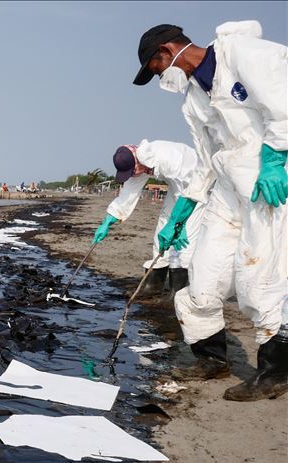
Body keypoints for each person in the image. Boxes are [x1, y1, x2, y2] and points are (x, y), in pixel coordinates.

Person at [133, 21, 287, 400]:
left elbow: (283, 99)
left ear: (168, 51)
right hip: (227, 189)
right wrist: (183, 209)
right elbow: (205, 159)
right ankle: (211, 360)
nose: (159, 78)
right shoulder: (193, 100)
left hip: (268, 183)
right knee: (201, 281)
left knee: (259, 280)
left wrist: (274, 157)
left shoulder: (239, 54)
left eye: (156, 69)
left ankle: (276, 372)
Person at [92, 140, 203, 296]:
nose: (133, 175)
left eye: (132, 171)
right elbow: (127, 196)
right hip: (177, 188)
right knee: (163, 227)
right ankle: (155, 284)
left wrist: (180, 223)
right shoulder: (139, 164)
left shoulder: (167, 158)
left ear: (138, 162)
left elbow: (190, 191)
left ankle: (177, 292)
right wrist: (107, 222)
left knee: (184, 239)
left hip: (198, 186)